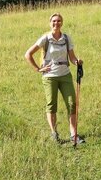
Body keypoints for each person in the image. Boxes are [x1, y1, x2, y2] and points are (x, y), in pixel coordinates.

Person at [24, 13, 84, 144]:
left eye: (59, 21)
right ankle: (54, 133)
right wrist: (38, 69)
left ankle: (74, 134)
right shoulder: (45, 38)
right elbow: (28, 54)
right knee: (52, 104)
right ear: (50, 23)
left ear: (62, 23)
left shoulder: (66, 38)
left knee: (72, 103)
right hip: (49, 76)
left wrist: (77, 62)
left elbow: (72, 57)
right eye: (54, 21)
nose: (56, 23)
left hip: (65, 74)